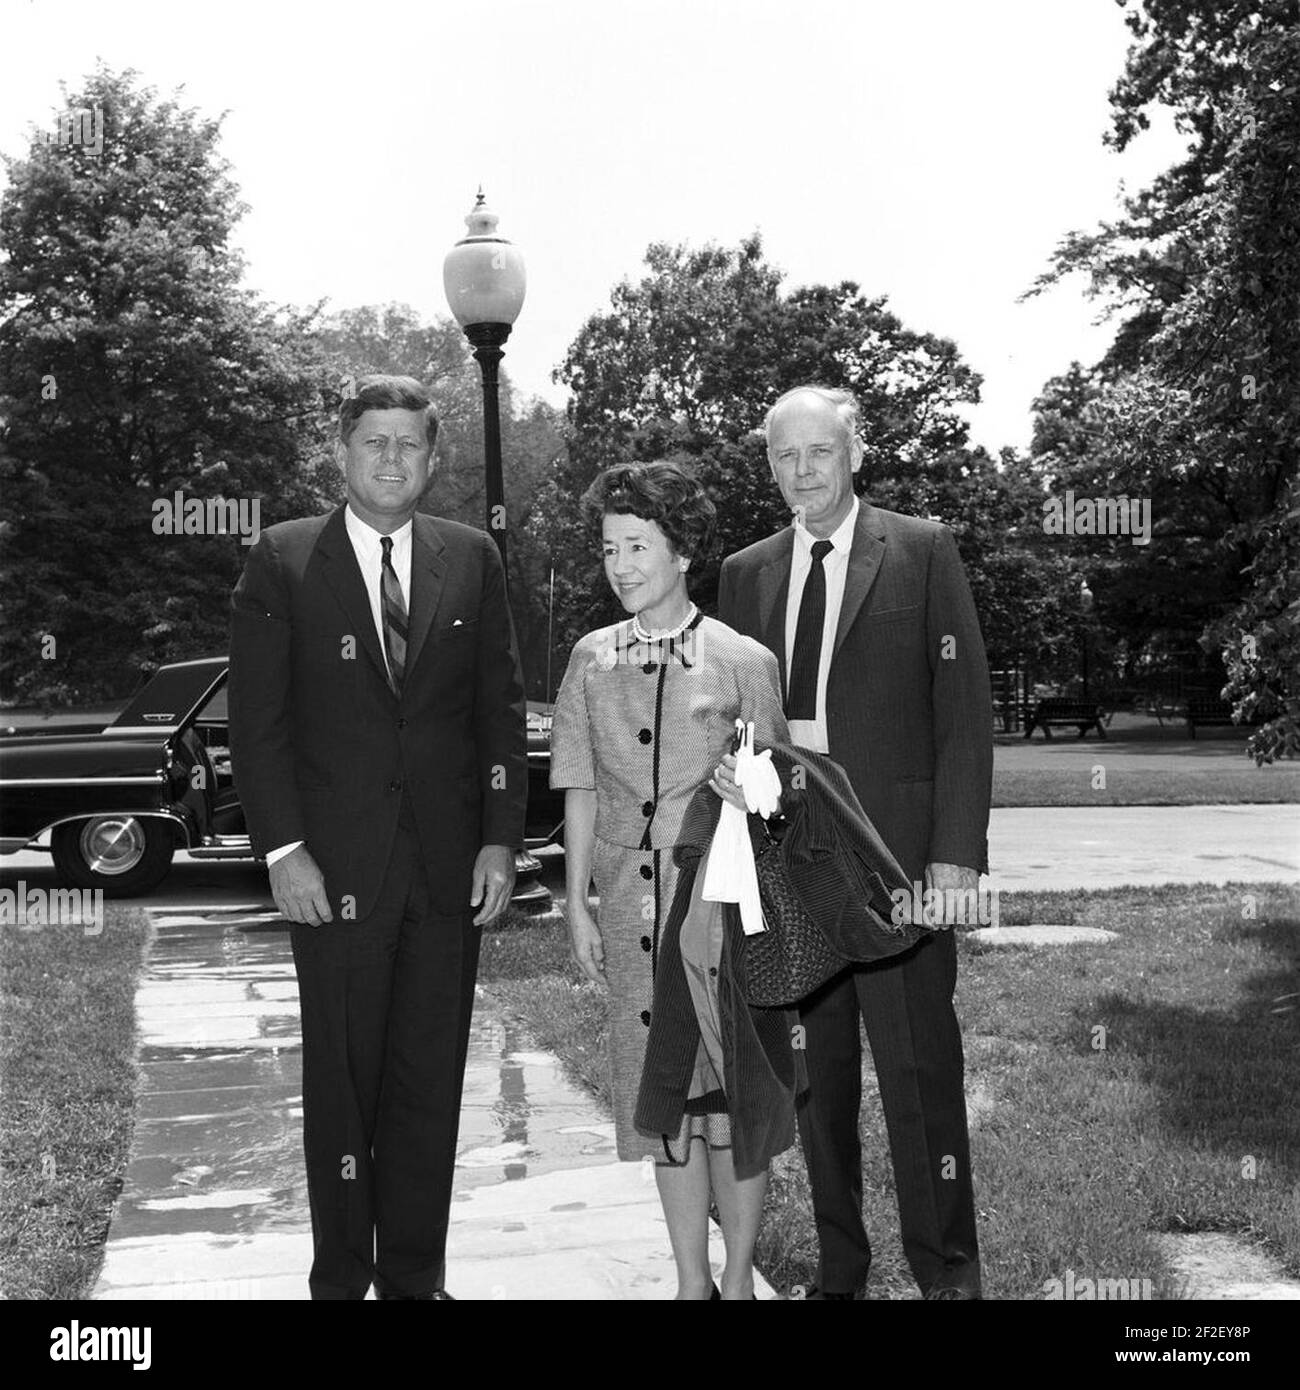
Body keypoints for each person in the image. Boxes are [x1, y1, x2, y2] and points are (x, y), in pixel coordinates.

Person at [228, 374, 527, 1300]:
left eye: (409, 444)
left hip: (447, 870)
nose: (392, 459)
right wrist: (283, 851)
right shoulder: (283, 559)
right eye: (374, 443)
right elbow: (258, 725)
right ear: (341, 452)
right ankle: (341, 1276)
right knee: (344, 1084)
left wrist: (499, 840)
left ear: (434, 461)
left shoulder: (471, 557)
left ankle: (413, 1274)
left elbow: (499, 711)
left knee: (428, 1082)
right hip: (333, 873)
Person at [717, 384, 993, 1301]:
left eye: (820, 453)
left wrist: (955, 857)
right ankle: (843, 1273)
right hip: (792, 861)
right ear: (770, 465)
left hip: (902, 861)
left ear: (855, 452)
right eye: (785, 456)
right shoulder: (745, 572)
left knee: (919, 1069)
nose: (803, 472)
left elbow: (964, 718)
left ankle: (947, 1273)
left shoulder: (920, 550)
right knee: (816, 1080)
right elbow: (734, 726)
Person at [549, 460, 796, 1300]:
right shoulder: (589, 659)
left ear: (682, 552)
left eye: (638, 546)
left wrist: (750, 790)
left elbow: (781, 791)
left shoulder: (742, 659)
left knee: (732, 1097)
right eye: (610, 548)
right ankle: (690, 1280)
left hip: (722, 911)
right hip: (627, 906)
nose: (620, 566)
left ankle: (736, 1278)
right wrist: (577, 900)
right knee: (664, 1100)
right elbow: (578, 784)